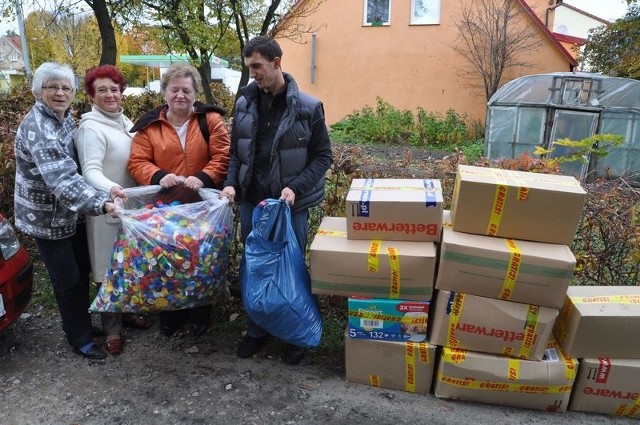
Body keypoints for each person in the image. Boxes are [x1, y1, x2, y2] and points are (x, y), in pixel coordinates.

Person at [220, 35, 333, 365]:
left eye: (257, 66)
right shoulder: (244, 102)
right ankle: (257, 329)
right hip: (252, 204)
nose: (252, 73)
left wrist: (295, 187)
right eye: (248, 67)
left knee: (292, 270)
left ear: (277, 63)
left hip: (289, 207)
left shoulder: (308, 108)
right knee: (255, 269)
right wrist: (230, 185)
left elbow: (322, 157)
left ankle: (293, 334)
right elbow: (236, 154)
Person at [13, 62, 118, 360]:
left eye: (66, 88)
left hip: (69, 214)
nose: (60, 93)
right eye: (52, 87)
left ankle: (80, 324)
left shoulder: (63, 118)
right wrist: (102, 202)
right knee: (67, 278)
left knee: (81, 270)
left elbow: (80, 164)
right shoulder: (39, 128)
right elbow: (63, 178)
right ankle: (79, 338)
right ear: (39, 91)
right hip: (45, 218)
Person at [128, 62, 230, 337]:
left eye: (186, 90)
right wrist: (158, 175)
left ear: (195, 93)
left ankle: (200, 312)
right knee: (167, 262)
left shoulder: (210, 121)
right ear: (165, 93)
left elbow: (222, 156)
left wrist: (205, 177)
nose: (180, 96)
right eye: (175, 90)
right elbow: (137, 162)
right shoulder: (149, 127)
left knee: (202, 260)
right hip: (166, 207)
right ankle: (171, 313)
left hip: (203, 207)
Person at [75, 64, 151, 356]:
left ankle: (127, 313)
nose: (109, 94)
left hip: (128, 210)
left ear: (122, 92)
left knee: (129, 265)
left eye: (114, 89)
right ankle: (112, 329)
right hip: (107, 210)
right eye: (102, 89)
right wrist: (111, 190)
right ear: (92, 94)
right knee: (109, 270)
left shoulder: (124, 122)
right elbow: (90, 171)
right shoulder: (90, 128)